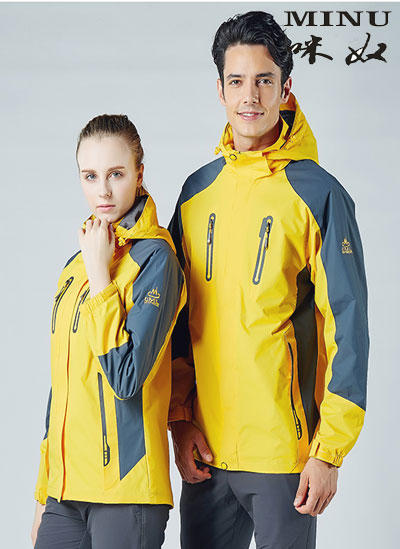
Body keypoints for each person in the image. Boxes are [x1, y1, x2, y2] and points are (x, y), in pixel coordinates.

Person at [168, 11, 369, 549]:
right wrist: (180, 420)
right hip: (206, 454)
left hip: (285, 457)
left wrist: (329, 452)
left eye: (264, 80)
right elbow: (177, 323)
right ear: (220, 90)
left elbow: (348, 327)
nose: (249, 96)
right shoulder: (195, 193)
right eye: (237, 81)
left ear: (285, 89)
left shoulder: (319, 195)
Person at [31, 114, 186, 548]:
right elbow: (62, 387)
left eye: (116, 174)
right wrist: (44, 491)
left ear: (139, 174)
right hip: (66, 490)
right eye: (90, 176)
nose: (103, 190)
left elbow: (126, 378)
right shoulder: (75, 267)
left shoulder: (156, 260)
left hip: (126, 490)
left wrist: (101, 276)